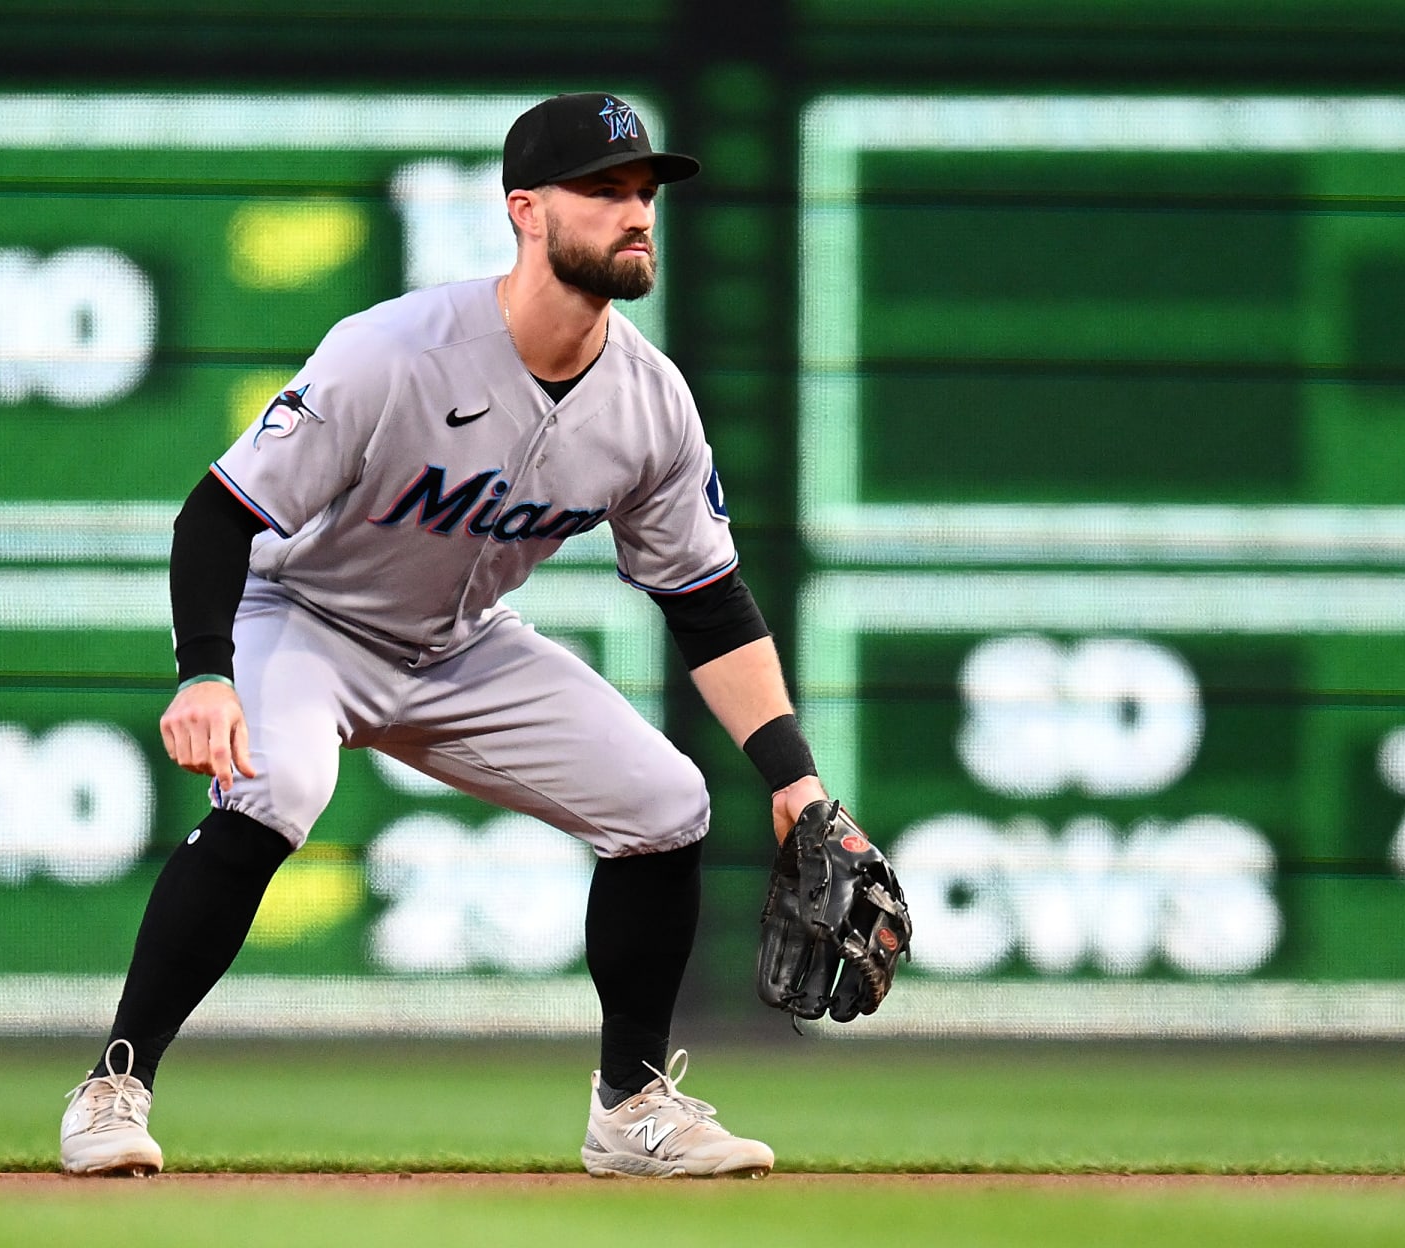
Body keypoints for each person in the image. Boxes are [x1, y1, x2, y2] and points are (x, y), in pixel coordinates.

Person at [59, 91, 831, 1180]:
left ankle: (632, 1109)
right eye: (604, 191)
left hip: (458, 646)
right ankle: (112, 1087)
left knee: (666, 807)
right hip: (303, 622)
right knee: (277, 793)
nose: (636, 213)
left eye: (644, 192)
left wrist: (794, 780)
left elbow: (708, 599)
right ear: (525, 210)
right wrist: (205, 673)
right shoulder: (396, 350)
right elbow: (219, 512)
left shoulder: (651, 402)